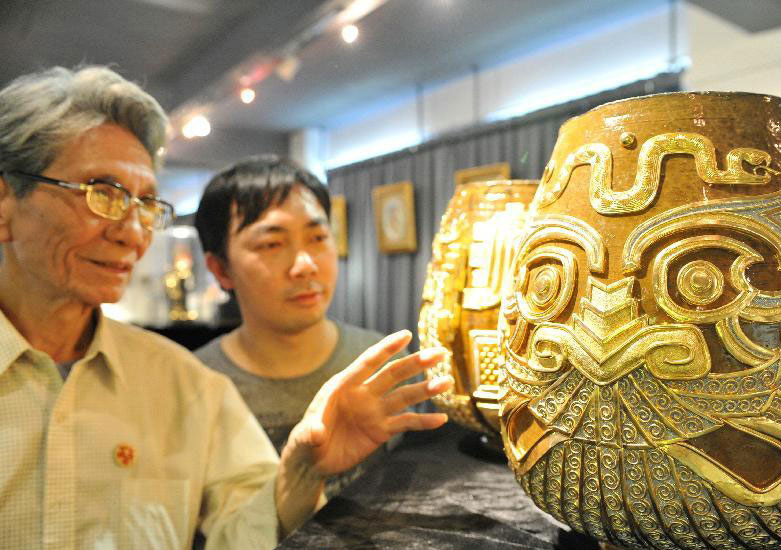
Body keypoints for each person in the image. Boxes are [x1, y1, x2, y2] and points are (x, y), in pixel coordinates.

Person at [0, 65, 451, 550]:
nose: (132, 232)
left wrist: (301, 472)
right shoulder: (199, 375)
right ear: (6, 201)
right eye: (102, 194)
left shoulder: (186, 386)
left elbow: (241, 531)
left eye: (146, 203)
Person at [192, 157, 407, 497]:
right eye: (271, 244)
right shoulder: (193, 384)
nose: (305, 265)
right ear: (221, 269)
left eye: (318, 237)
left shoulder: (381, 362)